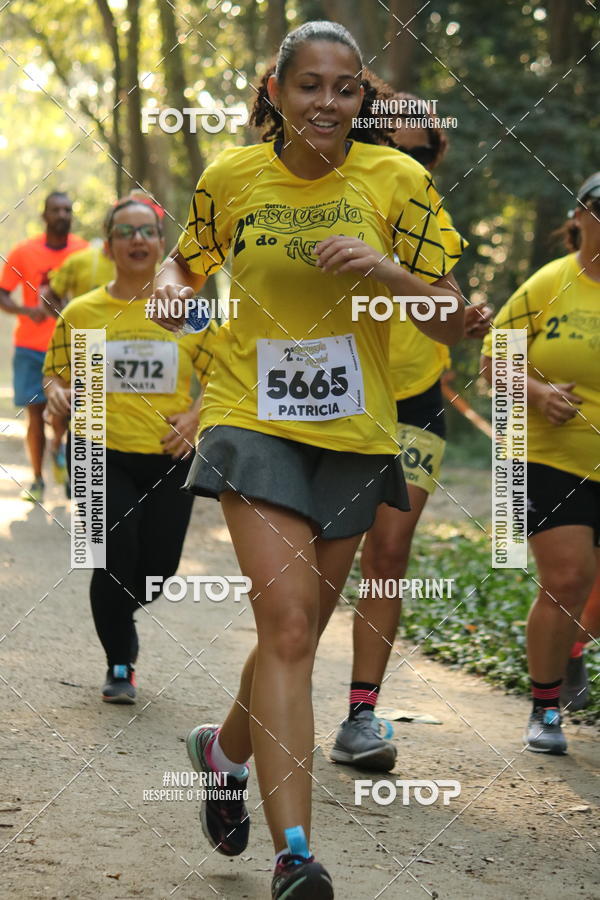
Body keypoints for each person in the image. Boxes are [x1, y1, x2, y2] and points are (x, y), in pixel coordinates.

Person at [152, 22, 464, 899]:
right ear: (277, 90)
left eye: (346, 88)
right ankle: (297, 853)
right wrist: (178, 302)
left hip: (359, 432)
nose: (328, 103)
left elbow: (450, 316)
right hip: (252, 420)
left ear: (362, 98)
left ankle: (220, 754)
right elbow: (183, 270)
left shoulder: (398, 182)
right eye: (310, 86)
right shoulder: (232, 177)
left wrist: (387, 272)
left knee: (296, 634)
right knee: (288, 628)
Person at [331, 93, 493, 771]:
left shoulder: (426, 214)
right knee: (320, 565)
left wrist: (464, 321)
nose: (409, 160)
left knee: (388, 556)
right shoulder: (338, 192)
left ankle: (360, 717)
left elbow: (448, 299)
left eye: (423, 152)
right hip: (337, 394)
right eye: (396, 146)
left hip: (414, 398)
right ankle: (266, 709)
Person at [43, 197, 215, 703]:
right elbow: (54, 374)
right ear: (109, 244)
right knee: (112, 556)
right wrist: (56, 392)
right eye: (125, 232)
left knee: (160, 568)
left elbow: (226, 377)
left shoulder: (190, 314)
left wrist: (196, 416)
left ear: (162, 245)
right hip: (99, 449)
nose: (137, 240)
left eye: (147, 232)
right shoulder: (83, 311)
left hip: (170, 456)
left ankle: (119, 615)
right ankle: (120, 662)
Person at [481, 172, 600, 754]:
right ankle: (546, 707)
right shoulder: (548, 284)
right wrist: (537, 393)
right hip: (553, 457)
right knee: (567, 578)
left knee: (590, 593)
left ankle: (574, 647)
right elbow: (492, 362)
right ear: (579, 216)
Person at [0, 192, 88, 502]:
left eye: (67, 209)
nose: (63, 214)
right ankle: (37, 480)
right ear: (45, 216)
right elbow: (3, 293)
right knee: (34, 413)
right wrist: (27, 311)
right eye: (56, 210)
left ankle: (58, 449)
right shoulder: (24, 252)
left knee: (66, 412)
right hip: (31, 346)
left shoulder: (84, 252)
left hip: (72, 347)